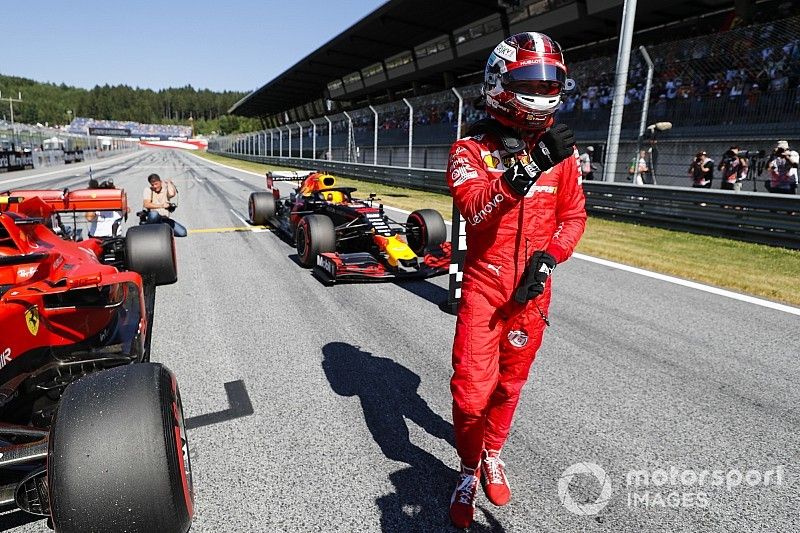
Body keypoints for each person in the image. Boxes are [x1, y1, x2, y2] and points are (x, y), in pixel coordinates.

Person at [445, 32, 586, 529]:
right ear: (499, 84)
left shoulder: (564, 151)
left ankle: (491, 454)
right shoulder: (469, 149)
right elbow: (473, 211)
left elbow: (574, 217)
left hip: (532, 290)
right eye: (530, 82)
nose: (542, 93)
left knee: (509, 386)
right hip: (485, 287)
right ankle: (467, 470)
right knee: (470, 394)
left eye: (551, 84)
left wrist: (551, 258)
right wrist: (526, 168)